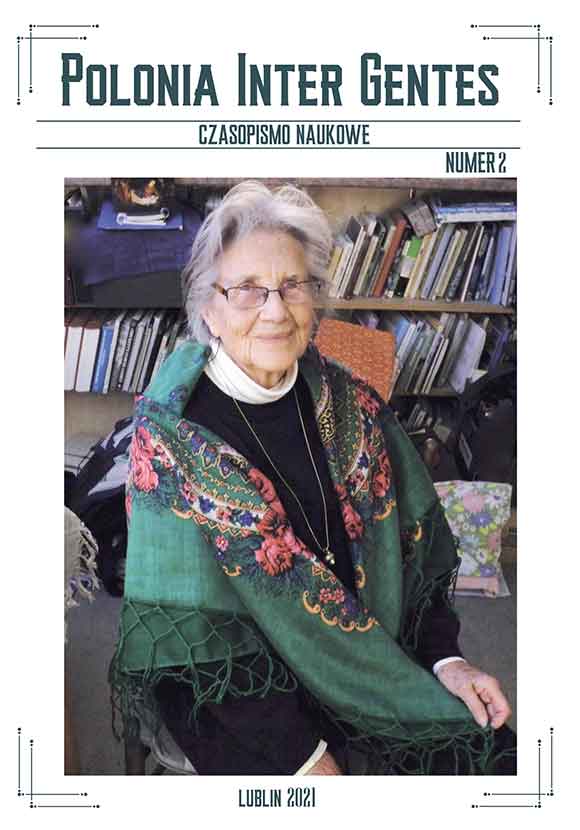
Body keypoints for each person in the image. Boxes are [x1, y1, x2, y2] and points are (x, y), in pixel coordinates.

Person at [110, 181, 515, 775]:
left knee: (499, 763)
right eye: (247, 290)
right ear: (209, 310)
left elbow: (412, 555)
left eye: (292, 286)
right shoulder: (169, 442)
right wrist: (305, 757)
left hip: (369, 660)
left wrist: (445, 662)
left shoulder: (350, 404)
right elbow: (193, 652)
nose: (275, 311)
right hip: (235, 699)